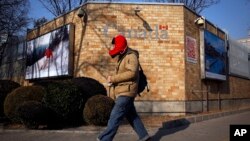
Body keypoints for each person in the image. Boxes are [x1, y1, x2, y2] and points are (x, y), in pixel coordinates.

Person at [97, 35, 151, 141]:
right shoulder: (123, 56)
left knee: (115, 117)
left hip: (127, 92)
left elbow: (132, 73)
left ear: (123, 48)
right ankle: (144, 136)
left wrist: (113, 78)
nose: (116, 52)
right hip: (124, 91)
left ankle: (105, 139)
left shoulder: (131, 56)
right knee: (132, 116)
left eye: (117, 48)